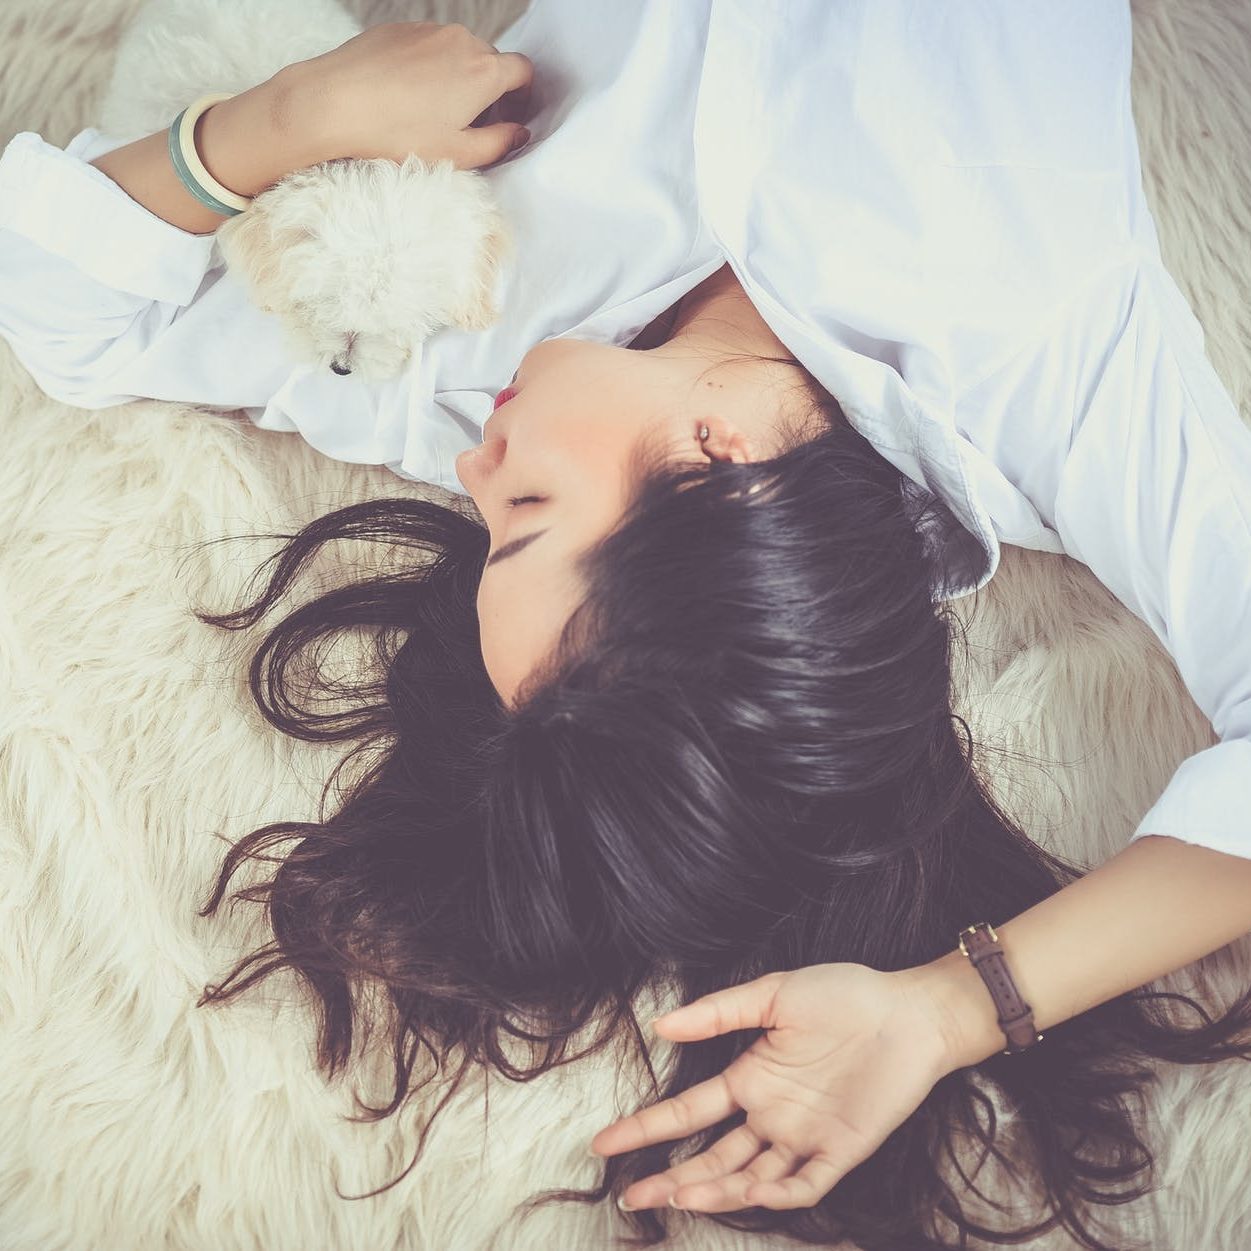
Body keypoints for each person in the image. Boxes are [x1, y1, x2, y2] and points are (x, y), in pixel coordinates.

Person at [2, 3, 1250, 1247]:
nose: (475, 468)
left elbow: (65, 312)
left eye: (484, 532)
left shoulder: (464, 368)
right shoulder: (1045, 364)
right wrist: (949, 1012)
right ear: (725, 465)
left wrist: (282, 123)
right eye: (528, 510)